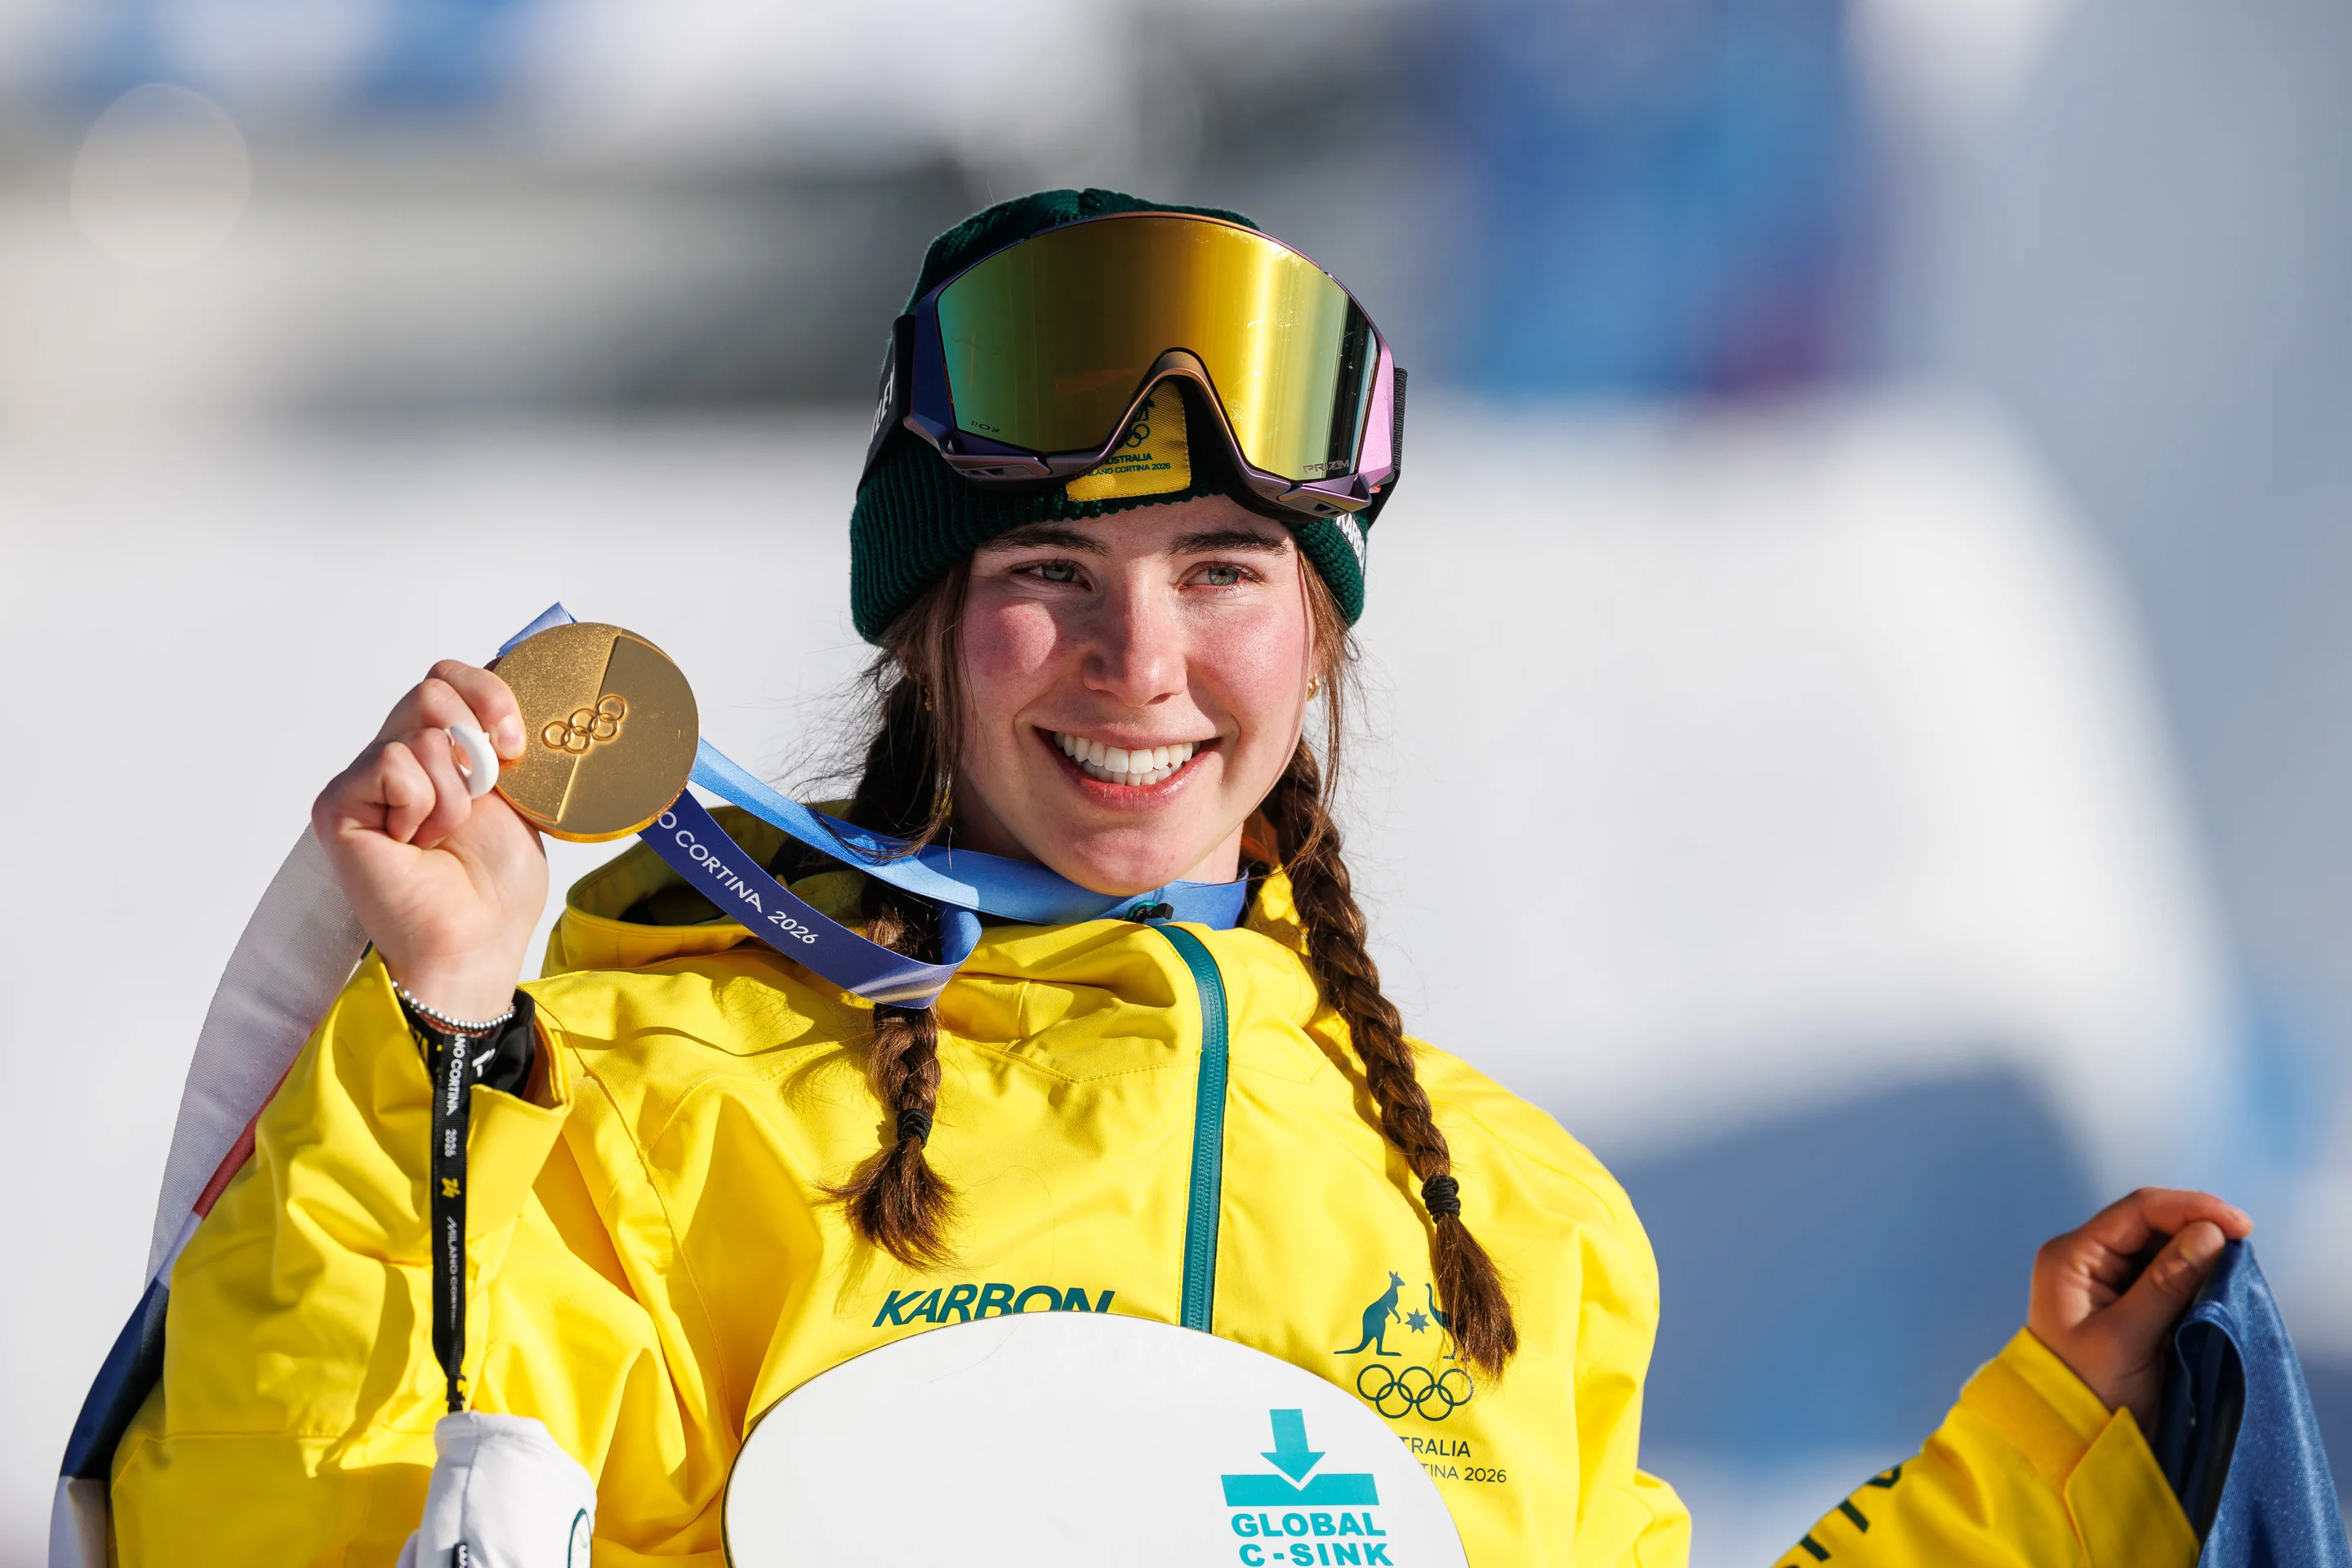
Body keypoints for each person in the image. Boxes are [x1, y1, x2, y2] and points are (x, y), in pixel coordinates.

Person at [109, 189, 2249, 1566]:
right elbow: (292, 1531)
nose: (1143, 667)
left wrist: (2059, 1464)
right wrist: (443, 1042)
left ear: (1318, 639)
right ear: (926, 632)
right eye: (1050, 575)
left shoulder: (1513, 1225)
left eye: (1224, 573)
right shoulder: (638, 1094)